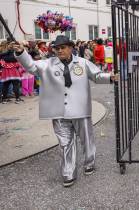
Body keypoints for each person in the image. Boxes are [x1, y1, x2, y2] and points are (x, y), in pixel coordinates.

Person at [12, 35, 117, 187]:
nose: (59, 50)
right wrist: (22, 53)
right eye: (57, 48)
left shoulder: (82, 62)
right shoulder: (47, 64)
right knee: (65, 143)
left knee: (87, 139)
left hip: (80, 109)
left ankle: (89, 163)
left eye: (63, 47)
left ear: (70, 48)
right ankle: (68, 172)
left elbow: (96, 75)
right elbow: (31, 66)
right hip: (58, 111)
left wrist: (111, 77)